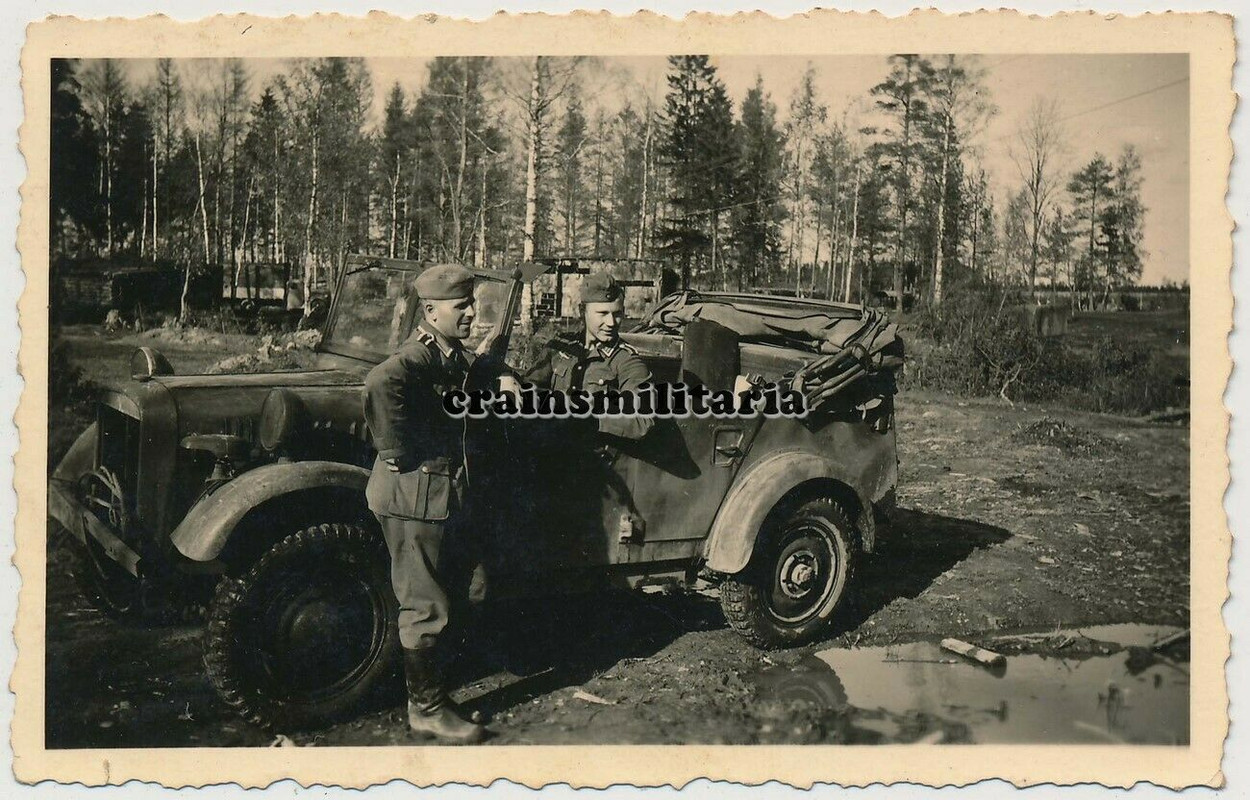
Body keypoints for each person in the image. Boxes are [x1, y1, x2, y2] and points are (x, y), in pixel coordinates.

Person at [362, 264, 487, 744]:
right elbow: (379, 382)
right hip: (414, 499)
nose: (471, 312)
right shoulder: (419, 354)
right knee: (424, 605)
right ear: (431, 311)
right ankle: (426, 710)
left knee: (448, 595)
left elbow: (474, 367)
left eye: (471, 303)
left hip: (434, 496)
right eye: (461, 306)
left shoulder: (448, 353)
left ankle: (437, 698)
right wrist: (394, 449)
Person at [523, 271, 654, 443]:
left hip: (594, 459)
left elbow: (643, 421)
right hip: (551, 446)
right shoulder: (560, 348)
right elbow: (529, 389)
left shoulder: (626, 361)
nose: (611, 322)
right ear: (582, 311)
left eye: (617, 314)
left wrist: (591, 418)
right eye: (603, 313)